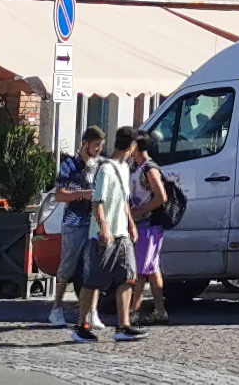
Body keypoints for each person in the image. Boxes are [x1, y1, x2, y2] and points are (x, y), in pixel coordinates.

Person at [51, 127, 110, 339]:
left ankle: (92, 311)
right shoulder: (70, 165)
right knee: (68, 266)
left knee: (93, 268)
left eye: (101, 146)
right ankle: (56, 307)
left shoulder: (101, 165)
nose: (99, 149)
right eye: (96, 145)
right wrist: (83, 194)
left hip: (94, 222)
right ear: (86, 144)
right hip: (74, 222)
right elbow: (59, 195)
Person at [91, 130, 142, 342]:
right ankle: (82, 325)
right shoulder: (106, 169)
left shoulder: (125, 168)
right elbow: (97, 202)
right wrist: (104, 226)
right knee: (93, 281)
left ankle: (123, 326)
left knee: (128, 277)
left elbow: (124, 200)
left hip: (122, 233)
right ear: (131, 147)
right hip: (104, 234)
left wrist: (131, 224)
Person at [124, 131, 173, 324]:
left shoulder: (149, 169)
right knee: (152, 269)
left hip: (148, 225)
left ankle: (133, 312)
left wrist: (139, 212)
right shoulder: (138, 167)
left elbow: (161, 197)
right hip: (146, 225)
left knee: (140, 271)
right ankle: (160, 311)